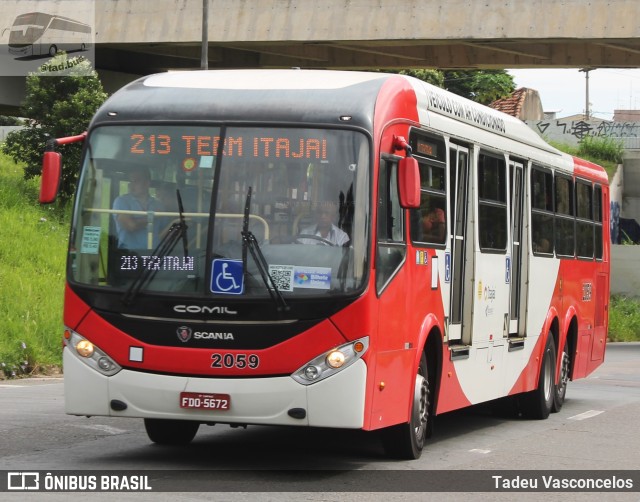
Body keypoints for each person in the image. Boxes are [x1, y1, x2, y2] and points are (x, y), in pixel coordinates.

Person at [112, 167, 159, 249]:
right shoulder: (121, 202)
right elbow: (131, 225)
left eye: (136, 181)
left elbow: (162, 233)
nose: (131, 185)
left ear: (147, 183)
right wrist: (152, 216)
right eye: (131, 181)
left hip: (157, 255)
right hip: (128, 256)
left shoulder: (158, 204)